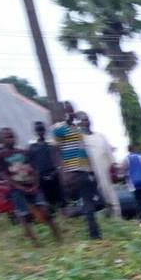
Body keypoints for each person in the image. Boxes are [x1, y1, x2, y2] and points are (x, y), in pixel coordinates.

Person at [0, 127, 61, 244]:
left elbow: (34, 169)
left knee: (45, 211)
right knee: (24, 216)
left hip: (32, 187)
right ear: (2, 140)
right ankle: (34, 242)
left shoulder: (23, 152)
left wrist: (36, 184)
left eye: (12, 136)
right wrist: (19, 187)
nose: (10, 139)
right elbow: (4, 174)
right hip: (16, 190)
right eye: (7, 137)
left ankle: (58, 238)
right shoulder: (0, 155)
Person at [52, 102, 101, 240]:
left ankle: (72, 213)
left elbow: (83, 150)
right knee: (88, 203)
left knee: (99, 202)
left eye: (71, 110)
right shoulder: (58, 129)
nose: (70, 113)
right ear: (62, 113)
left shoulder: (77, 129)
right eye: (67, 111)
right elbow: (56, 152)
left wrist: (91, 170)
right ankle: (95, 236)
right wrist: (63, 173)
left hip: (85, 170)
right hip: (73, 171)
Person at [77, 112, 120, 219]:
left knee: (112, 200)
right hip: (92, 176)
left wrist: (114, 170)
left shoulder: (101, 137)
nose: (86, 122)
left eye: (87, 119)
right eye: (83, 120)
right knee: (99, 203)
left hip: (106, 174)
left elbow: (110, 157)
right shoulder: (80, 140)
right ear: (79, 124)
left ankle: (117, 221)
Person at [27, 121, 63, 213]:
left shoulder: (52, 144)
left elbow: (58, 159)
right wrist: (36, 177)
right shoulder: (32, 147)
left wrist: (56, 171)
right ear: (35, 131)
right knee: (47, 202)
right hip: (41, 177)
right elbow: (31, 163)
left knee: (60, 201)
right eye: (38, 130)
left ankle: (63, 216)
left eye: (42, 129)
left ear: (45, 130)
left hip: (54, 175)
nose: (40, 132)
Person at [123, 144, 141, 224]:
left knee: (138, 201)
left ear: (128, 150)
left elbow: (125, 170)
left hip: (134, 183)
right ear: (135, 149)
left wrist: (125, 180)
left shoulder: (126, 159)